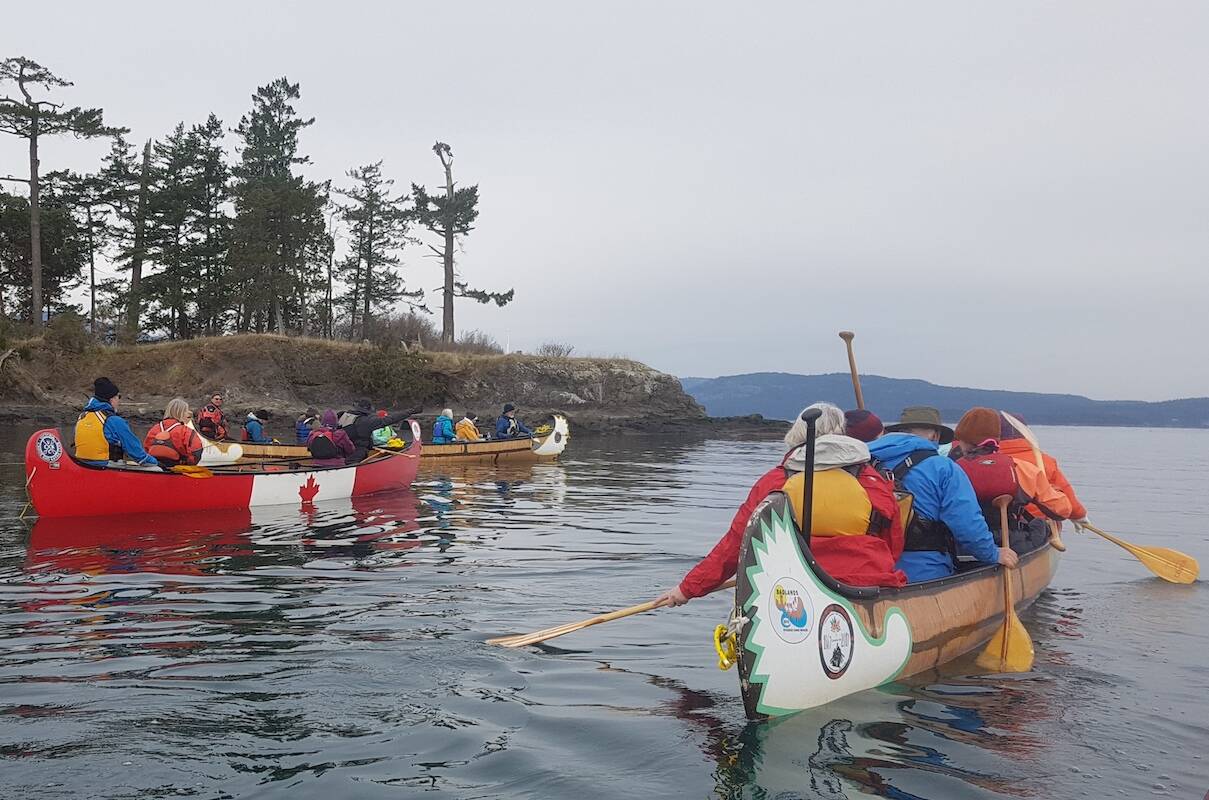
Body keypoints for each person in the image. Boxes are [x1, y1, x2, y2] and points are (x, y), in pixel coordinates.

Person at [655, 403, 905, 607]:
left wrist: (687, 589)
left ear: (797, 435)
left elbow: (736, 544)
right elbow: (893, 545)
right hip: (867, 590)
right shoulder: (874, 481)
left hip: (794, 590)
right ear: (842, 434)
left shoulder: (776, 481)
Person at [869, 406, 1018, 582]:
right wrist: (993, 554)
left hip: (871, 569)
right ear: (935, 435)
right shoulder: (944, 468)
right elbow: (967, 525)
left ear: (900, 431)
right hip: (924, 572)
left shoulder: (865, 461)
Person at [949, 407, 1071, 553]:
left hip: (961, 544)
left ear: (962, 440)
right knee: (1040, 525)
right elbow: (1061, 511)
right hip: (1012, 543)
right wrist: (1056, 491)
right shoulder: (1021, 468)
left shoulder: (951, 469)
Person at [998, 412, 1090, 526]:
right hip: (1041, 526)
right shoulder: (1044, 461)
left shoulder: (992, 462)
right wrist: (1079, 516)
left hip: (1002, 526)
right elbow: (1066, 493)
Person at [74, 377, 159, 468]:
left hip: (83, 464)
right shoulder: (114, 421)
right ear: (112, 399)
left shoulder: (82, 417)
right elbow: (137, 454)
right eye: (119, 396)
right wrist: (156, 462)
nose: (119, 400)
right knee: (156, 469)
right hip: (105, 467)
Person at [342, 401, 418, 463]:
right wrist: (411, 411)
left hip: (341, 449)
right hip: (356, 452)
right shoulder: (367, 421)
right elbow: (391, 419)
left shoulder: (343, 415)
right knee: (359, 454)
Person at [144, 397, 205, 467]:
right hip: (177, 467)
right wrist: (188, 464)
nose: (188, 414)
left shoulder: (155, 428)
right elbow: (196, 452)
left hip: (156, 466)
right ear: (181, 412)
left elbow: (146, 448)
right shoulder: (185, 431)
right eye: (186, 411)